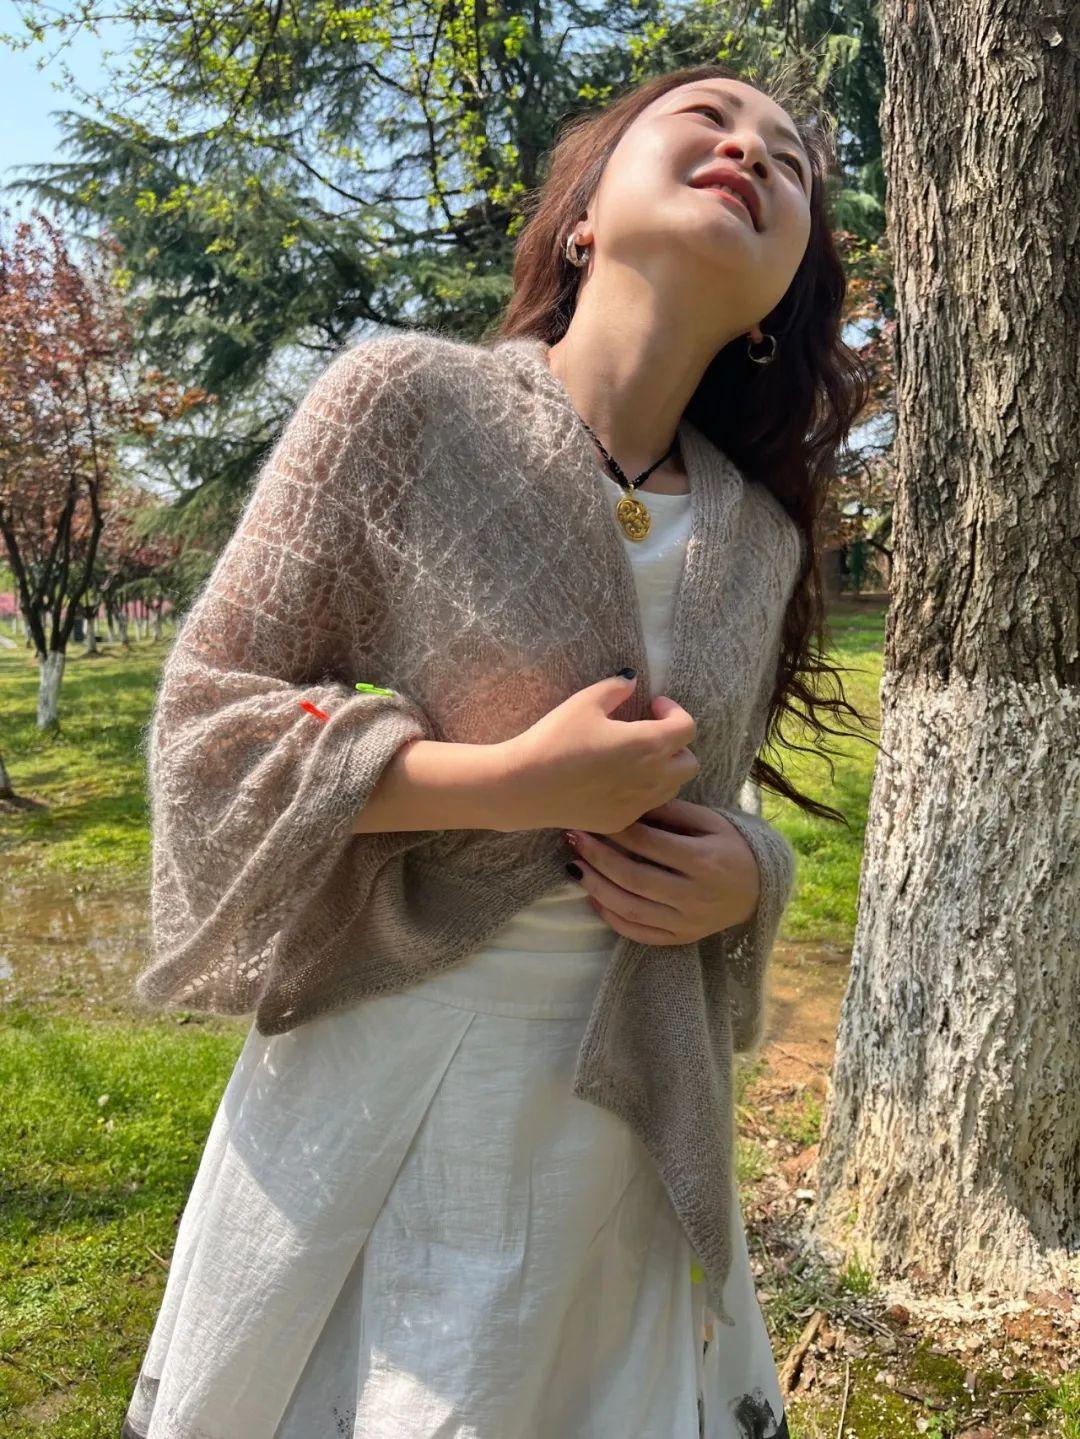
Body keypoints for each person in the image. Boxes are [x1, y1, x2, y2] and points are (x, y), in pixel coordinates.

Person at [123, 59, 867, 1439]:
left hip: (627, 1118)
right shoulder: (406, 404)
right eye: (707, 120)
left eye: (790, 163)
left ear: (779, 300)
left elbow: (712, 802)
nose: (753, 153)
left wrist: (750, 876)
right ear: (582, 216)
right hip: (390, 1084)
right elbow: (207, 726)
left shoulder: (760, 539)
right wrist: (507, 785)